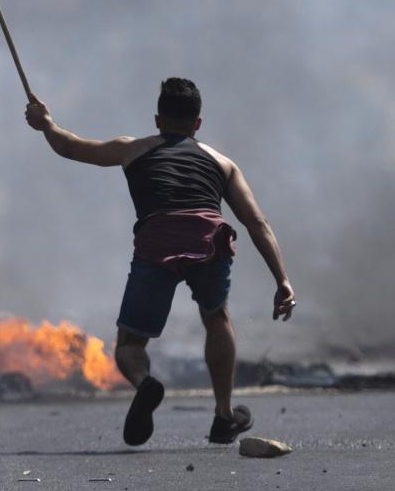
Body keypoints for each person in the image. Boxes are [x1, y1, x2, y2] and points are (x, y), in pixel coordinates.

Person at [24, 78, 295, 446]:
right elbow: (257, 222)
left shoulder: (132, 149)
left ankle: (145, 383)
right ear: (198, 123)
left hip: (157, 240)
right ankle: (224, 416)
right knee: (216, 317)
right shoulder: (223, 163)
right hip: (208, 240)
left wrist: (47, 124)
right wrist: (282, 280)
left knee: (130, 344)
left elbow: (70, 148)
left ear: (157, 119)